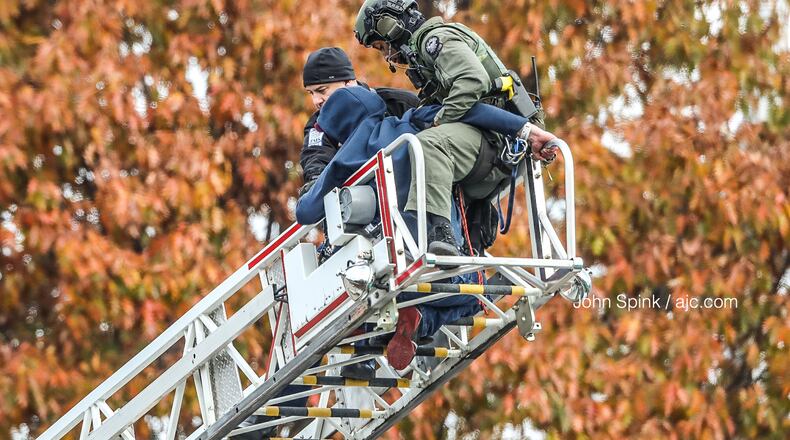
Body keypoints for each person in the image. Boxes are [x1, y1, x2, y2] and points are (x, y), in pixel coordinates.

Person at [295, 86, 543, 372]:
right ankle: (419, 319)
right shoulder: (411, 121)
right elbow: (471, 111)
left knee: (371, 302)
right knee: (480, 292)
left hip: (382, 278)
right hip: (432, 264)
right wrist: (524, 129)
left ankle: (367, 346)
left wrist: (322, 181)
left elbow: (305, 213)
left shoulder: (343, 161)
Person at [353, 0, 559, 255]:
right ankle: (463, 242)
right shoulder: (425, 52)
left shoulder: (435, 39)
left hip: (493, 139)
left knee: (429, 143)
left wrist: (440, 119)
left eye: (381, 46)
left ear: (390, 26)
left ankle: (441, 234)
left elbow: (472, 81)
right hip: (490, 141)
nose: (386, 56)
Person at [299, 47, 419, 195]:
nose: (316, 100)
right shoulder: (319, 124)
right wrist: (315, 181)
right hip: (363, 205)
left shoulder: (401, 103)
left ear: (349, 82)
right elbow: (315, 155)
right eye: (311, 93)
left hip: (415, 196)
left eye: (322, 90)